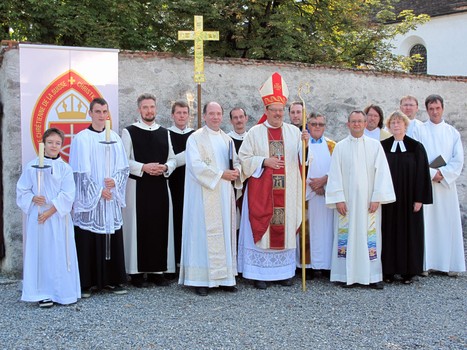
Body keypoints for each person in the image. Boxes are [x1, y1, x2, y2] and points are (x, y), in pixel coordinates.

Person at [238, 72, 307, 290]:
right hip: (263, 192)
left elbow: (304, 160)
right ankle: (259, 274)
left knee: (285, 228)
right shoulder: (255, 132)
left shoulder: (294, 133)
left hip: (288, 193)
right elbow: (244, 159)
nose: (277, 114)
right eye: (273, 110)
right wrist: (264, 161)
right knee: (263, 230)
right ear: (266, 111)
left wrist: (306, 145)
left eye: (280, 111)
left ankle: (284, 273)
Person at [326, 110, 395, 289]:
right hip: (346, 204)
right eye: (353, 121)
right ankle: (346, 275)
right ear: (348, 124)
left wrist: (377, 197)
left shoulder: (375, 146)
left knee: (369, 238)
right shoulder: (340, 147)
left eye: (360, 121)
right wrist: (338, 199)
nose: (357, 124)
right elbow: (334, 175)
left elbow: (382, 173)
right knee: (346, 237)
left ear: (365, 124)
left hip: (368, 204)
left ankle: (372, 276)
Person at [178, 101, 242, 296]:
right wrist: (221, 174)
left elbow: (237, 160)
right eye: (211, 113)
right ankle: (201, 280)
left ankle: (225, 278)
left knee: (224, 233)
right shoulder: (195, 138)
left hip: (223, 194)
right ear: (204, 116)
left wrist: (237, 171)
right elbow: (195, 166)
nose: (215, 117)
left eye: (218, 113)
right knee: (201, 234)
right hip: (202, 195)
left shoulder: (227, 139)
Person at [69, 97, 129, 297]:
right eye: (98, 112)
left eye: (105, 111)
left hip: (110, 197)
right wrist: (97, 191)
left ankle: (113, 280)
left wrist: (115, 182)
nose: (102, 116)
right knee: (88, 237)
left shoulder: (115, 138)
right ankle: (87, 283)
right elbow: (79, 172)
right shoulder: (82, 138)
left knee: (111, 236)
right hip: (92, 200)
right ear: (90, 113)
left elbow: (123, 168)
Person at [17, 128, 81, 308]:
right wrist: (32, 198)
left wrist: (49, 211)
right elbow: (22, 190)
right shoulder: (32, 166)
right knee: (42, 254)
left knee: (60, 254)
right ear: (43, 144)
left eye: (58, 143)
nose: (54, 146)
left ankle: (63, 292)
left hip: (57, 217)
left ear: (62, 145)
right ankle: (43, 292)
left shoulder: (65, 168)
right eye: (50, 142)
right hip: (38, 218)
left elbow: (68, 194)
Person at [122, 93, 177, 288]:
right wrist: (143, 167)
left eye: (152, 107)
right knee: (139, 228)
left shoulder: (165, 132)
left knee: (159, 226)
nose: (149, 111)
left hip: (160, 186)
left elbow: (172, 159)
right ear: (139, 110)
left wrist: (166, 168)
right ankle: (136, 273)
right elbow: (123, 161)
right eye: (145, 107)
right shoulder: (129, 132)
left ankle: (157, 271)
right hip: (138, 187)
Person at [413, 94, 466, 276]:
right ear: (426, 110)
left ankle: (449, 264)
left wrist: (443, 173)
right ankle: (427, 264)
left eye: (437, 108)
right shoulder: (419, 130)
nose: (434, 112)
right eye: (431, 109)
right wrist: (431, 173)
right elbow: (416, 157)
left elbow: (458, 159)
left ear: (442, 108)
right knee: (428, 224)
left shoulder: (452, 132)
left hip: (445, 185)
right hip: (426, 183)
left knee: (447, 223)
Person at [381, 111, 432, 284]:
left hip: (409, 199)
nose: (396, 125)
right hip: (389, 199)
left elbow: (422, 174)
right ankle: (388, 270)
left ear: (405, 125)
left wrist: (419, 199)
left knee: (409, 232)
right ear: (389, 126)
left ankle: (408, 272)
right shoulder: (383, 146)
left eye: (399, 122)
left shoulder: (416, 147)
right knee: (388, 232)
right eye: (393, 123)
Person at [297, 113, 336, 279]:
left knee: (327, 230)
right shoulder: (301, 144)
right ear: (308, 126)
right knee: (308, 230)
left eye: (321, 124)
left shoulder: (332, 146)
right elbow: (298, 166)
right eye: (314, 124)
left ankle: (326, 265)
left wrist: (324, 183)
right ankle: (308, 265)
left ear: (325, 126)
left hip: (326, 196)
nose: (317, 127)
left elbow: (337, 169)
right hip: (309, 196)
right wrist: (313, 187)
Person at [168, 101, 195, 270]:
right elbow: (168, 160)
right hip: (174, 183)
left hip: (191, 183)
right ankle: (174, 261)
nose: (182, 116)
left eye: (185, 113)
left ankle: (189, 261)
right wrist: (189, 154)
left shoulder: (194, 135)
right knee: (175, 221)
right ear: (172, 115)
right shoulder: (166, 134)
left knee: (190, 222)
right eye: (178, 113)